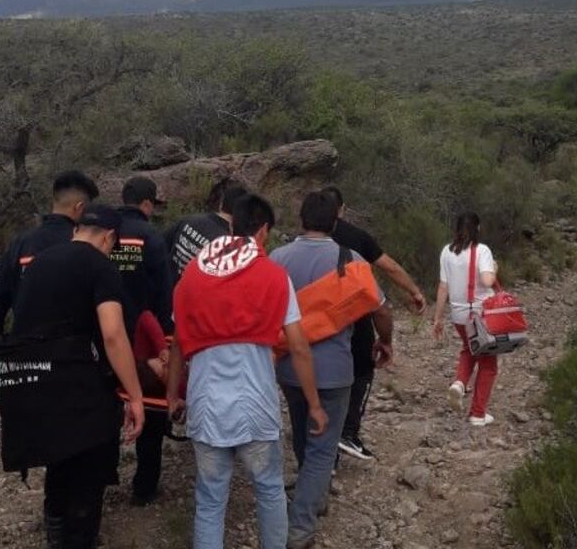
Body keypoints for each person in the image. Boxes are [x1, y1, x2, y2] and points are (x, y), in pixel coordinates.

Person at [167, 194, 328, 549]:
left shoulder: (192, 275)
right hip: (255, 405)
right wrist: (314, 404)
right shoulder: (272, 274)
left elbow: (178, 344)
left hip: (206, 404)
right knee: (269, 489)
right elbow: (299, 347)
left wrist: (172, 396)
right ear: (263, 230)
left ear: (231, 225)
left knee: (210, 500)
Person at [0, 204, 145, 549]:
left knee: (59, 465)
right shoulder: (100, 266)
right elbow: (112, 333)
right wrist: (135, 395)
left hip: (32, 384)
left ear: (76, 230)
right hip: (77, 389)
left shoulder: (42, 261)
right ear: (109, 238)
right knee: (86, 480)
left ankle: (57, 536)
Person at [270, 191, 391, 549]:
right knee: (324, 448)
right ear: (334, 222)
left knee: (305, 434)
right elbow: (381, 310)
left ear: (302, 220)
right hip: (336, 369)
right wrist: (386, 341)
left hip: (290, 367)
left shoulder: (277, 258)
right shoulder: (350, 259)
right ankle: (300, 528)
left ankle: (315, 495)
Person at [321, 186, 420, 460]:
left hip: (312, 321)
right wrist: (414, 291)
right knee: (362, 370)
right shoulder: (357, 237)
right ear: (342, 209)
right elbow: (390, 266)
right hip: (355, 318)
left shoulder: (305, 239)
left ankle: (324, 452)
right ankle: (347, 432)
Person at [0, 170, 99, 355]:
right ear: (80, 207)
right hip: (73, 356)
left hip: (26, 352)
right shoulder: (85, 245)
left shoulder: (21, 243)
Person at [110, 175, 174, 506]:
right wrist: (164, 342)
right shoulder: (151, 236)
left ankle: (104, 472)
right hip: (143, 340)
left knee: (106, 406)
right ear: (147, 203)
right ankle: (144, 487)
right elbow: (164, 293)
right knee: (150, 410)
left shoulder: (103, 232)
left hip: (104, 338)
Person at [432, 212, 499, 426]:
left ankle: (460, 384)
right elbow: (488, 280)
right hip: (481, 315)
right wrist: (495, 269)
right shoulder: (482, 251)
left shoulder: (446, 252)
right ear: (478, 228)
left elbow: (443, 287)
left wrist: (438, 318)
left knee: (468, 348)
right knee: (488, 364)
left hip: (459, 316)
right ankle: (478, 414)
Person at [164, 180, 248, 283]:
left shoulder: (190, 219)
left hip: (163, 289)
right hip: (189, 296)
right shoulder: (227, 245)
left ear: (221, 204)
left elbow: (162, 245)